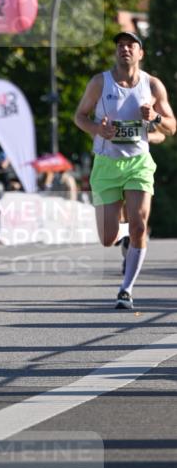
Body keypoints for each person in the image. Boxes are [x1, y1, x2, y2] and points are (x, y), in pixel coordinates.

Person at [74, 31, 175, 309]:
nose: (125, 49)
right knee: (107, 238)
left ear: (140, 53)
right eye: (120, 45)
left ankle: (126, 289)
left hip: (138, 163)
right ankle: (124, 239)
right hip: (107, 163)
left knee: (140, 223)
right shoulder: (99, 83)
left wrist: (154, 117)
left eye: (131, 45)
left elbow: (172, 126)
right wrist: (98, 130)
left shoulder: (152, 86)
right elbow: (79, 116)